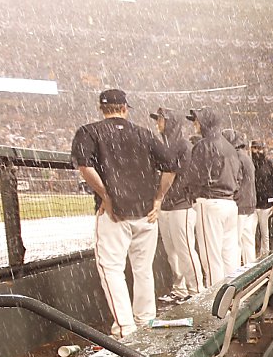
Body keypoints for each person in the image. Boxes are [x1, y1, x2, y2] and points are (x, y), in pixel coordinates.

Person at [70, 89, 176, 338]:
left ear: (101, 108)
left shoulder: (89, 131)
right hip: (146, 212)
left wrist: (106, 195)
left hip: (114, 214)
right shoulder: (144, 133)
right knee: (142, 269)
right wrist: (158, 199)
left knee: (111, 269)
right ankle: (146, 321)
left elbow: (84, 165)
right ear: (125, 108)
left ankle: (125, 329)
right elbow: (171, 166)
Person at [151, 107, 202, 305]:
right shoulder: (165, 144)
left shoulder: (183, 145)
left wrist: (167, 195)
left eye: (161, 119)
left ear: (171, 121)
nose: (158, 123)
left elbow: (184, 176)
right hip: (167, 206)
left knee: (186, 250)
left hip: (182, 205)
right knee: (171, 252)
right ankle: (180, 289)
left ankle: (197, 291)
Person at [188, 108, 242, 287]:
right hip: (230, 203)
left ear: (205, 123)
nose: (194, 124)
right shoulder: (229, 147)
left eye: (196, 121)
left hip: (210, 202)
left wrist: (194, 195)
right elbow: (239, 178)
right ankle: (234, 298)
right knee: (229, 255)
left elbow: (194, 177)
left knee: (211, 257)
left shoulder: (204, 145)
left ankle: (215, 306)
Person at [223, 130, 257, 266]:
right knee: (247, 241)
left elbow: (236, 181)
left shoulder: (235, 157)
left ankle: (236, 275)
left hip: (240, 204)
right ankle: (251, 270)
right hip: (249, 203)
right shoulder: (245, 156)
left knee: (234, 243)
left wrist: (232, 196)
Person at [251, 141, 273, 256]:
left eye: (259, 148)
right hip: (252, 203)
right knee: (250, 232)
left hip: (266, 203)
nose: (257, 151)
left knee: (264, 232)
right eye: (254, 148)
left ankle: (265, 255)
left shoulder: (269, 164)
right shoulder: (249, 163)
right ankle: (251, 256)